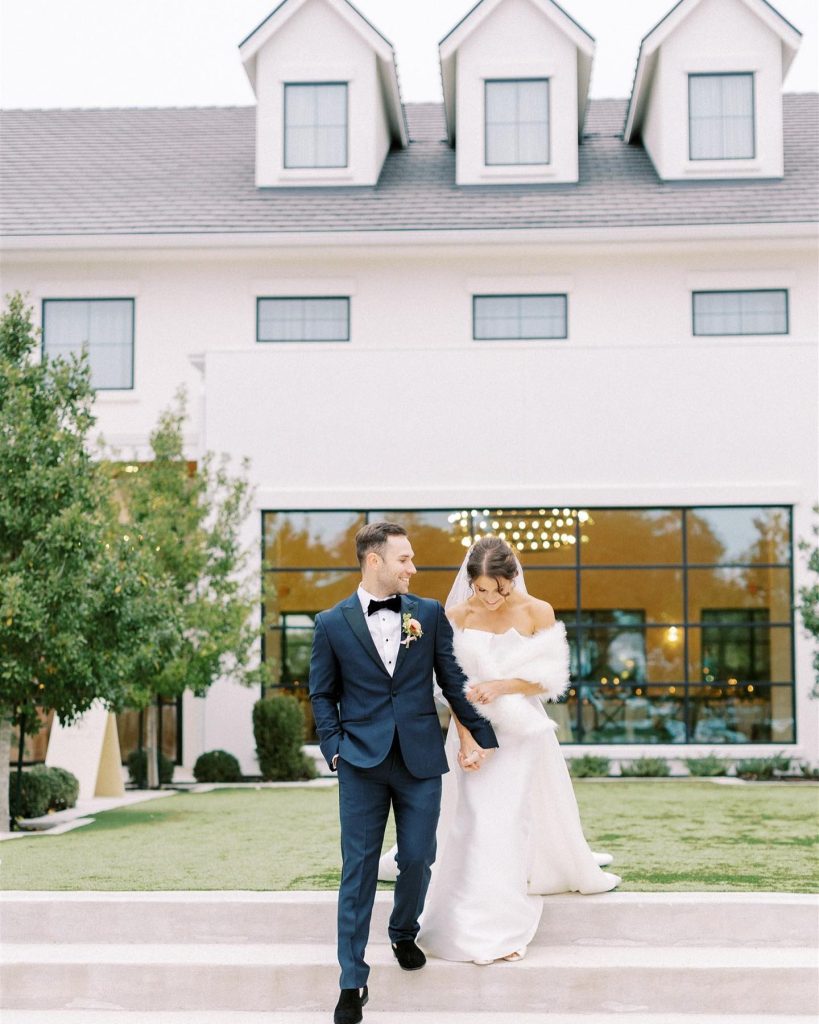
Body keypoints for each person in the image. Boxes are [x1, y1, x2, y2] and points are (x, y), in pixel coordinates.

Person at [380, 535, 621, 965]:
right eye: (481, 589)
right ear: (470, 583)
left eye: (499, 590)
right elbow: (449, 685)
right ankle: (468, 919)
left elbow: (551, 679)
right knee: (473, 820)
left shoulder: (537, 611)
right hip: (471, 732)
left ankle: (499, 925)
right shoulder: (455, 615)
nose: (490, 598)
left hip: (522, 734)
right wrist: (466, 739)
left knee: (505, 820)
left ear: (513, 579)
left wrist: (501, 686)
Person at [309, 521, 499, 1024]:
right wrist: (334, 749)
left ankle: (402, 930)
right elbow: (321, 694)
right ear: (375, 561)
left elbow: (451, 680)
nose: (413, 568)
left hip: (419, 760)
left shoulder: (429, 614)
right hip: (360, 763)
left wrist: (483, 733)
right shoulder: (330, 623)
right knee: (358, 869)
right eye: (404, 559)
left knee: (417, 857)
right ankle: (352, 981)